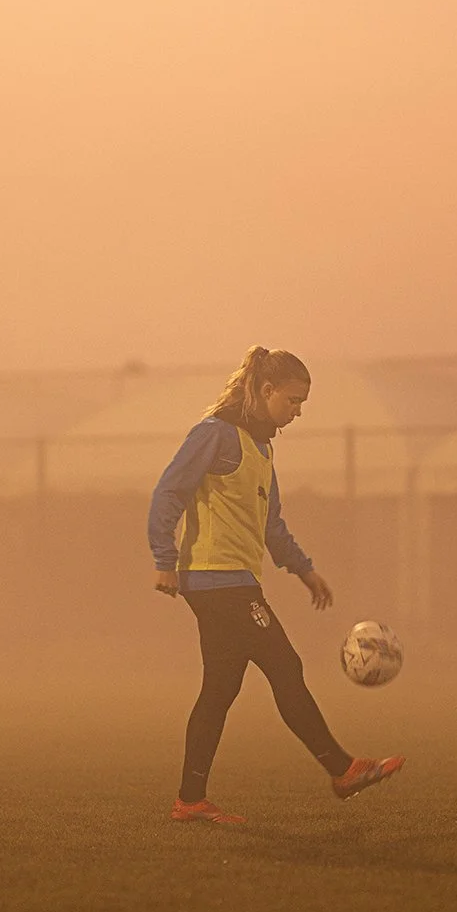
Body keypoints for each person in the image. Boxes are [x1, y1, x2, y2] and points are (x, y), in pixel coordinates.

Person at [148, 346, 404, 824]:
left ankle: (190, 800)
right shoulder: (215, 435)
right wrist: (164, 558)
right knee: (285, 665)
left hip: (234, 581)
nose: (297, 411)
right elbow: (169, 490)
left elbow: (272, 525)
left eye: (302, 403)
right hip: (216, 580)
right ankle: (343, 769)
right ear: (265, 391)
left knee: (220, 690)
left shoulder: (261, 448)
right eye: (292, 400)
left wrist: (304, 570)